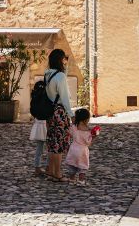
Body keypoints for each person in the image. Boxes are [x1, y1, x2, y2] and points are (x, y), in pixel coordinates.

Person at [44, 48, 74, 182]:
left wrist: (65, 68)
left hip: (50, 111)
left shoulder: (48, 74)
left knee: (52, 142)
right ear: (60, 60)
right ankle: (57, 173)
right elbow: (65, 97)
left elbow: (59, 82)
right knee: (59, 145)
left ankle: (51, 171)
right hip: (60, 112)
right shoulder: (60, 76)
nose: (65, 60)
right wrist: (71, 114)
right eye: (64, 58)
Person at [65, 107, 96, 185]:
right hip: (82, 151)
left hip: (73, 149)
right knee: (82, 167)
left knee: (72, 166)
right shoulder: (87, 131)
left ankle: (71, 179)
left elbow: (69, 132)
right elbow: (88, 142)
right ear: (86, 119)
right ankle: (81, 180)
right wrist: (94, 136)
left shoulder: (74, 127)